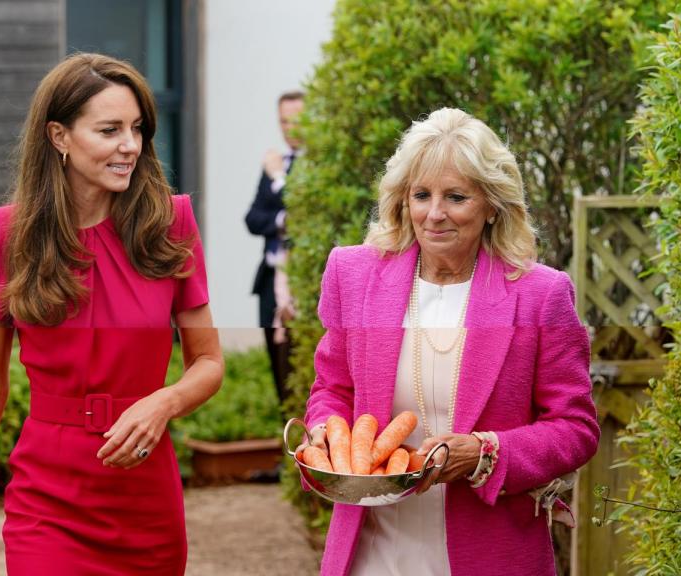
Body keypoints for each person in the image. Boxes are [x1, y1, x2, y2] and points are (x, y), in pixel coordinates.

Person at [0, 53, 223, 576]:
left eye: (136, 129)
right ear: (59, 136)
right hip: (48, 497)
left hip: (145, 494)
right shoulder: (6, 236)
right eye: (109, 130)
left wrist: (163, 403)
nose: (129, 145)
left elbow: (208, 362)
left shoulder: (171, 223)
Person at [303, 108, 599, 576]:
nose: (434, 214)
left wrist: (486, 452)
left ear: (491, 205)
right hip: (372, 549)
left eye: (456, 197)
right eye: (422, 195)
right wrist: (325, 433)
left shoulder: (541, 294)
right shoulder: (353, 274)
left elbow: (575, 427)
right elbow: (332, 389)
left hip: (491, 550)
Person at [245, 90, 304, 404]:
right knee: (278, 368)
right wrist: (282, 220)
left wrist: (279, 178)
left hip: (304, 284)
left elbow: (306, 212)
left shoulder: (318, 166)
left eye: (296, 120)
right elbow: (253, 218)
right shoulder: (276, 163)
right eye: (283, 121)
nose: (289, 128)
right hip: (270, 279)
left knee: (303, 369)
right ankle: (287, 443)